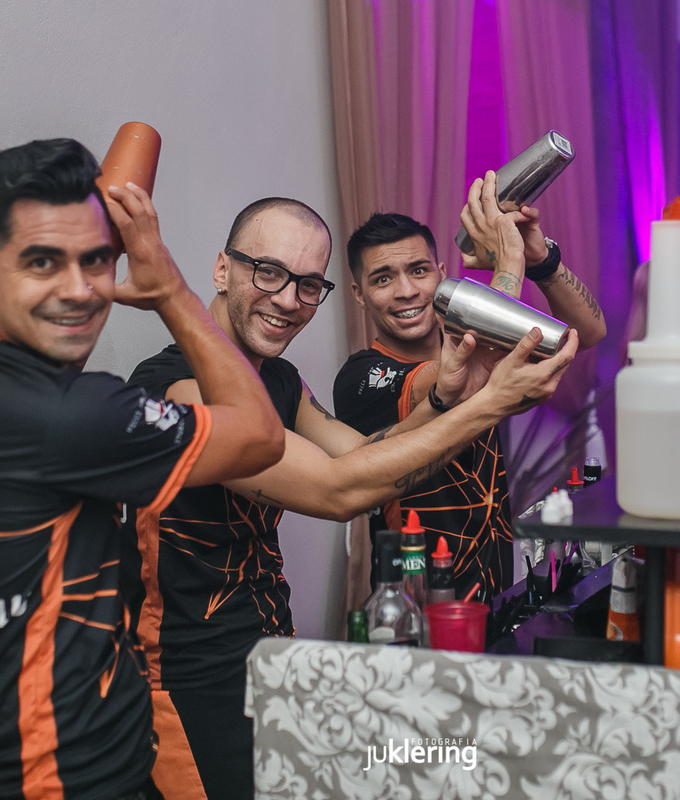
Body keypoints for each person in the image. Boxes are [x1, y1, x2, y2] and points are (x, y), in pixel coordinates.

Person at [124, 182, 577, 799]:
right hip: (189, 677)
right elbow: (338, 492)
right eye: (268, 273)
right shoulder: (177, 388)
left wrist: (446, 399)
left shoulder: (279, 380)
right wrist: (488, 404)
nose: (289, 300)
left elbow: (361, 455)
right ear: (223, 269)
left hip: (270, 653)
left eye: (309, 285)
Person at [0, 139, 286, 800]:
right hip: (78, 780)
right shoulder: (72, 417)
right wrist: (170, 289)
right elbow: (261, 435)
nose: (78, 291)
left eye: (95, 260)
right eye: (42, 261)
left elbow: (51, 334)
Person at [333, 171, 606, 603]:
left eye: (419, 270)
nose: (406, 291)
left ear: (442, 274)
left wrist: (541, 259)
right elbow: (451, 380)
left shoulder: (483, 343)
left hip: (494, 597)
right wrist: (509, 258)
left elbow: (587, 333)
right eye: (382, 279)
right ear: (359, 294)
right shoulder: (361, 377)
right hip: (415, 607)